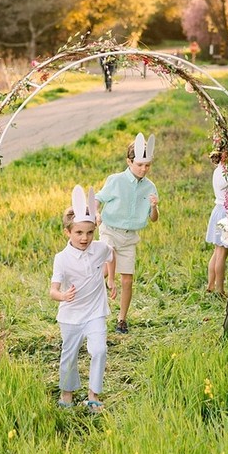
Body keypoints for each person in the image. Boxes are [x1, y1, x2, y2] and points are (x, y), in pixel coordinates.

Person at [50, 185, 116, 413]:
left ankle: (93, 396)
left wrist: (111, 279)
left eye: (89, 232)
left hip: (95, 311)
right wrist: (63, 295)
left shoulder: (99, 248)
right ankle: (67, 393)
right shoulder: (62, 259)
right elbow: (53, 291)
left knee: (99, 350)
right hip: (71, 315)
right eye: (79, 232)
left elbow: (111, 254)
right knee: (69, 354)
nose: (85, 237)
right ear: (68, 232)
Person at [95, 133, 159, 334]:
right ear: (129, 162)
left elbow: (153, 218)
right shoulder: (115, 180)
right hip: (110, 230)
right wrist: (95, 212)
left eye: (147, 165)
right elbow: (98, 198)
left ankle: (122, 319)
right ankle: (94, 297)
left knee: (128, 280)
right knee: (107, 257)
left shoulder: (150, 187)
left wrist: (154, 207)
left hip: (130, 237)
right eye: (140, 164)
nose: (144, 169)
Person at [205, 146, 228, 295]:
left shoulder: (217, 170)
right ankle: (220, 290)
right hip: (224, 211)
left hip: (217, 210)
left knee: (217, 251)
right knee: (222, 253)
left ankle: (210, 285)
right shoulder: (227, 173)